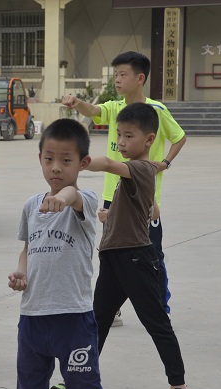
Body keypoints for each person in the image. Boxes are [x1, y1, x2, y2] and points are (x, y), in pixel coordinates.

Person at [0, 119, 124, 389]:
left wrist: (65, 196)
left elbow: (72, 197)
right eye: (49, 159)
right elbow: (27, 249)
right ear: (39, 158)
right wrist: (21, 271)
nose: (55, 167)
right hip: (32, 320)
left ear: (83, 163)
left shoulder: (86, 200)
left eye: (66, 160)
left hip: (74, 322)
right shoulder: (32, 205)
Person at [63, 51, 186, 319]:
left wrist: (164, 163)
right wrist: (76, 102)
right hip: (112, 197)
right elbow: (94, 111)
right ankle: (112, 306)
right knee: (111, 252)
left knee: (152, 254)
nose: (117, 79)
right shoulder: (115, 107)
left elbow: (179, 137)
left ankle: (159, 307)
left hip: (143, 199)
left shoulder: (156, 111)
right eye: (115, 74)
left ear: (140, 78)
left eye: (123, 74)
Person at [86, 103, 191, 389]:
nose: (121, 141)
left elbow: (109, 164)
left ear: (149, 140)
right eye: (118, 135)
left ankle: (179, 387)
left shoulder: (142, 168)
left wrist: (82, 161)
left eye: (128, 136)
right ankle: (80, 374)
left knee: (156, 322)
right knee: (97, 321)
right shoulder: (138, 173)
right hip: (114, 260)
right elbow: (147, 211)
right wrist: (109, 215)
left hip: (135, 260)